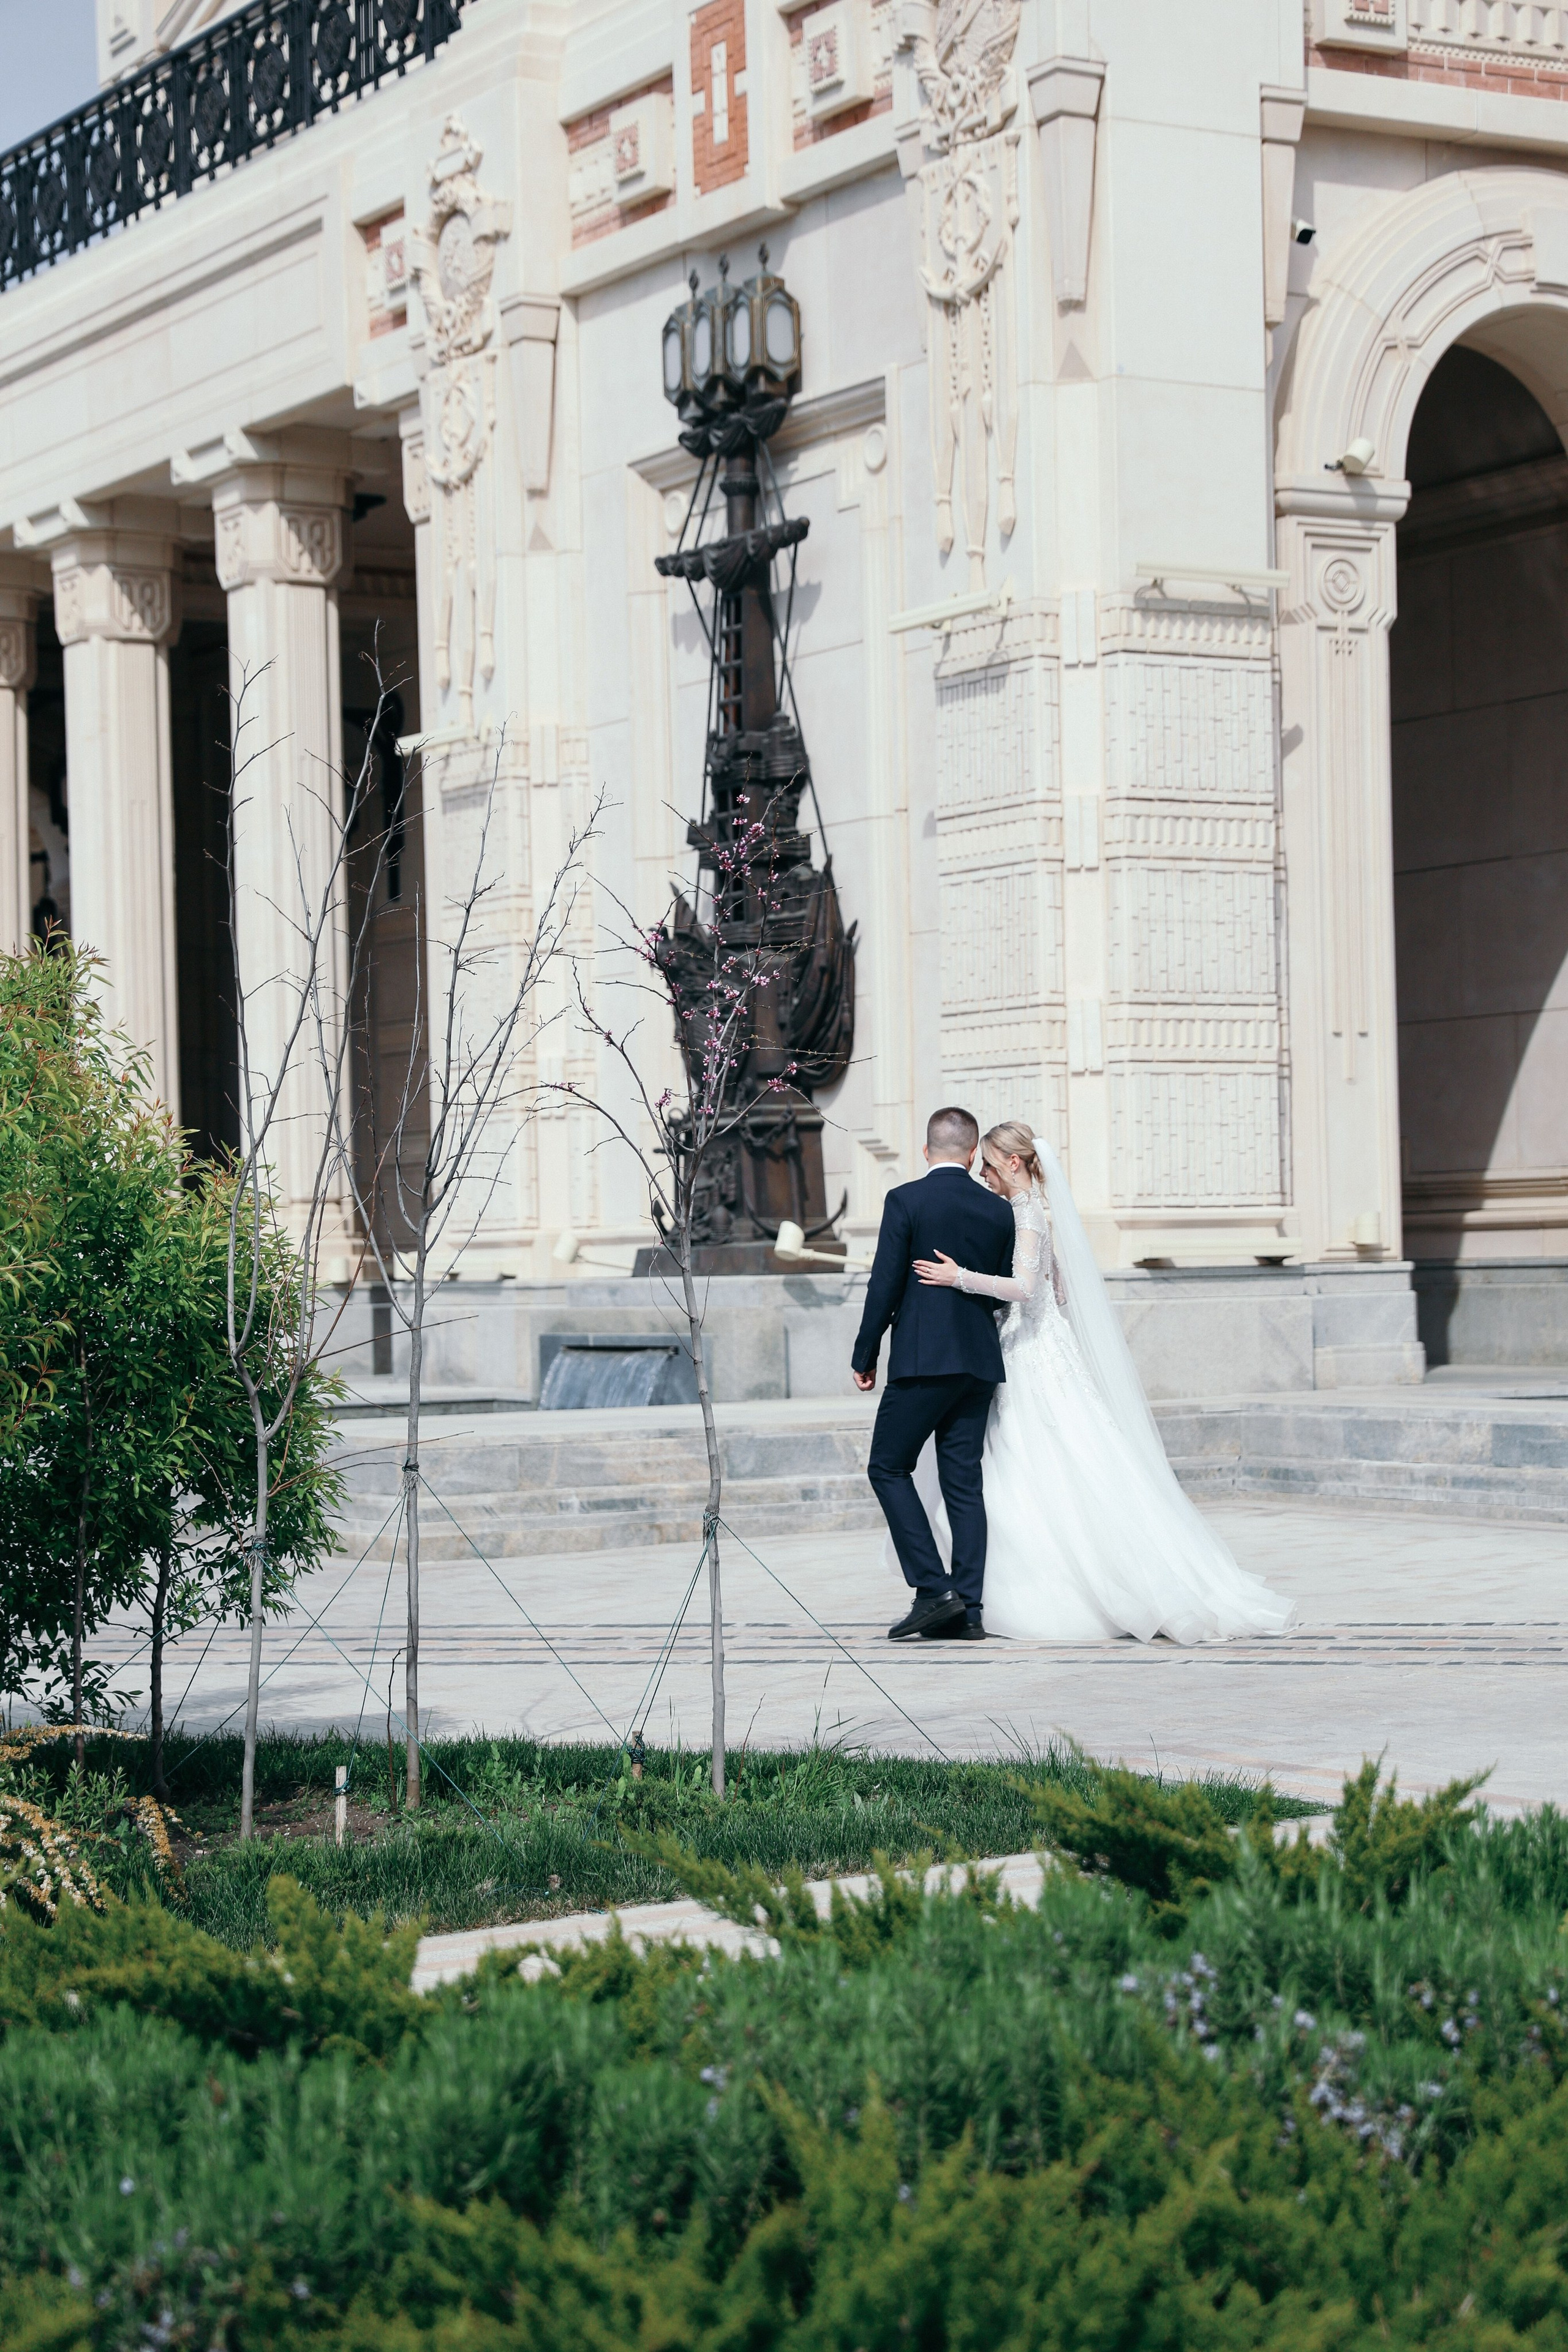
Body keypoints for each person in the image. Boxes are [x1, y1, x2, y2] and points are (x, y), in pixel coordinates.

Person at [908, 1120, 1296, 1642]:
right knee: (1045, 1459)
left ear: (1014, 1163)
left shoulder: (1027, 1216)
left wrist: (959, 1277)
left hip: (1031, 1354)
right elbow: (1059, 1291)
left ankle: (1056, 1589)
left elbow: (1025, 1287)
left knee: (1037, 1459)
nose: (982, 1174)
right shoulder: (1033, 1215)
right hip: (1039, 1346)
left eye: (988, 1164)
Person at [852, 1105, 1017, 1642]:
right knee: (964, 1483)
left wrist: (866, 1352)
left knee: (888, 1467)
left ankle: (932, 1589)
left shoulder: (907, 1199)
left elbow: (885, 1283)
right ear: (973, 1155)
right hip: (978, 1362)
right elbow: (999, 1286)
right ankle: (969, 1610)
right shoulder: (998, 1210)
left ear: (927, 1152)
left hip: (924, 1361)